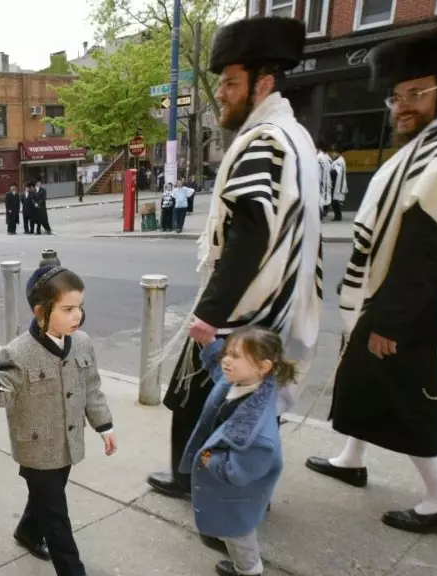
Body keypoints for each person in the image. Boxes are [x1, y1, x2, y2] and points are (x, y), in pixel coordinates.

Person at [305, 18, 437, 534]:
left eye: (414, 94)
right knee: (360, 382)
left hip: (409, 308)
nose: (400, 106)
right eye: (396, 96)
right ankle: (352, 459)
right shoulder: (431, 143)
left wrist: (391, 322)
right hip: (385, 297)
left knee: (410, 400)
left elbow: (428, 250)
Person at [147, 17, 323, 500]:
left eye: (229, 83)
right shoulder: (297, 136)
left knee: (206, 400)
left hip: (242, 312)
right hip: (273, 308)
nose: (219, 94)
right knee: (236, 405)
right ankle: (198, 482)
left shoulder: (264, 139)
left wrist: (210, 316)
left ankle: (213, 496)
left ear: (262, 83)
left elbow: (250, 234)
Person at [0, 265, 115, 576]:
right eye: (67, 309)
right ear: (41, 311)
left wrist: (104, 426)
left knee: (47, 498)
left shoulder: (81, 343)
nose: (77, 316)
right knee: (56, 515)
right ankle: (72, 570)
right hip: (37, 448)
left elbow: (91, 388)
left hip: (67, 444)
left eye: (80, 307)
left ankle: (27, 531)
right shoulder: (18, 353)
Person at [184, 327, 291, 576]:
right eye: (227, 353)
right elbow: (216, 370)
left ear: (263, 366)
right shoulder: (245, 381)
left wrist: (209, 459)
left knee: (239, 534)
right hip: (228, 491)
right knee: (230, 530)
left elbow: (238, 471)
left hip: (236, 494)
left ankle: (249, 570)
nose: (226, 360)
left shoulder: (259, 435)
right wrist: (210, 343)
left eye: (236, 356)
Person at [327, 146, 347, 222]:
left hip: (337, 184)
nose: (333, 154)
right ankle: (337, 216)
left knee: (335, 201)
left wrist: (329, 174)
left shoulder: (339, 161)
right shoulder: (339, 160)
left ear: (338, 153)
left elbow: (334, 173)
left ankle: (338, 216)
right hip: (337, 184)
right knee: (335, 201)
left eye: (334, 152)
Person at [316, 142, 333, 221]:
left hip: (320, 182)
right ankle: (322, 214)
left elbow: (318, 172)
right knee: (323, 198)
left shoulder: (319, 158)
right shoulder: (327, 158)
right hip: (326, 181)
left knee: (319, 199)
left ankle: (320, 216)